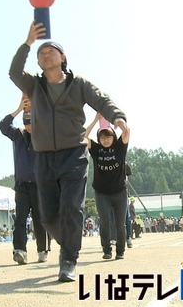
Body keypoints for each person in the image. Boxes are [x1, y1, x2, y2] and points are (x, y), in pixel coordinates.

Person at [9, 24, 129, 282]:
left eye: (50, 51)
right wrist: (28, 42)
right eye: (40, 54)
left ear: (62, 58)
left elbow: (102, 100)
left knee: (71, 208)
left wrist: (118, 119)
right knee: (48, 216)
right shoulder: (34, 86)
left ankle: (68, 260)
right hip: (44, 158)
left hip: (74, 155)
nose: (45, 56)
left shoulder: (78, 84)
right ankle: (69, 242)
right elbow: (14, 72)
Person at [0, 97, 51, 264]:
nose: (29, 125)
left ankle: (42, 250)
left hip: (39, 186)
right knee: (20, 219)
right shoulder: (18, 135)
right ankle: (20, 250)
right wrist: (18, 109)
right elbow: (2, 126)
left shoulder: (43, 136)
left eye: (32, 121)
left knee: (39, 219)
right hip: (21, 186)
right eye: (26, 121)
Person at [85, 112, 131, 260]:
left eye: (108, 137)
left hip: (119, 192)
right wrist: (94, 121)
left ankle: (120, 251)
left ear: (113, 137)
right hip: (101, 193)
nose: (105, 140)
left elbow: (127, 131)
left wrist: (116, 120)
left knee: (120, 224)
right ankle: (107, 250)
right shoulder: (97, 150)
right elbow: (83, 136)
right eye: (102, 137)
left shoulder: (119, 147)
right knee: (104, 221)